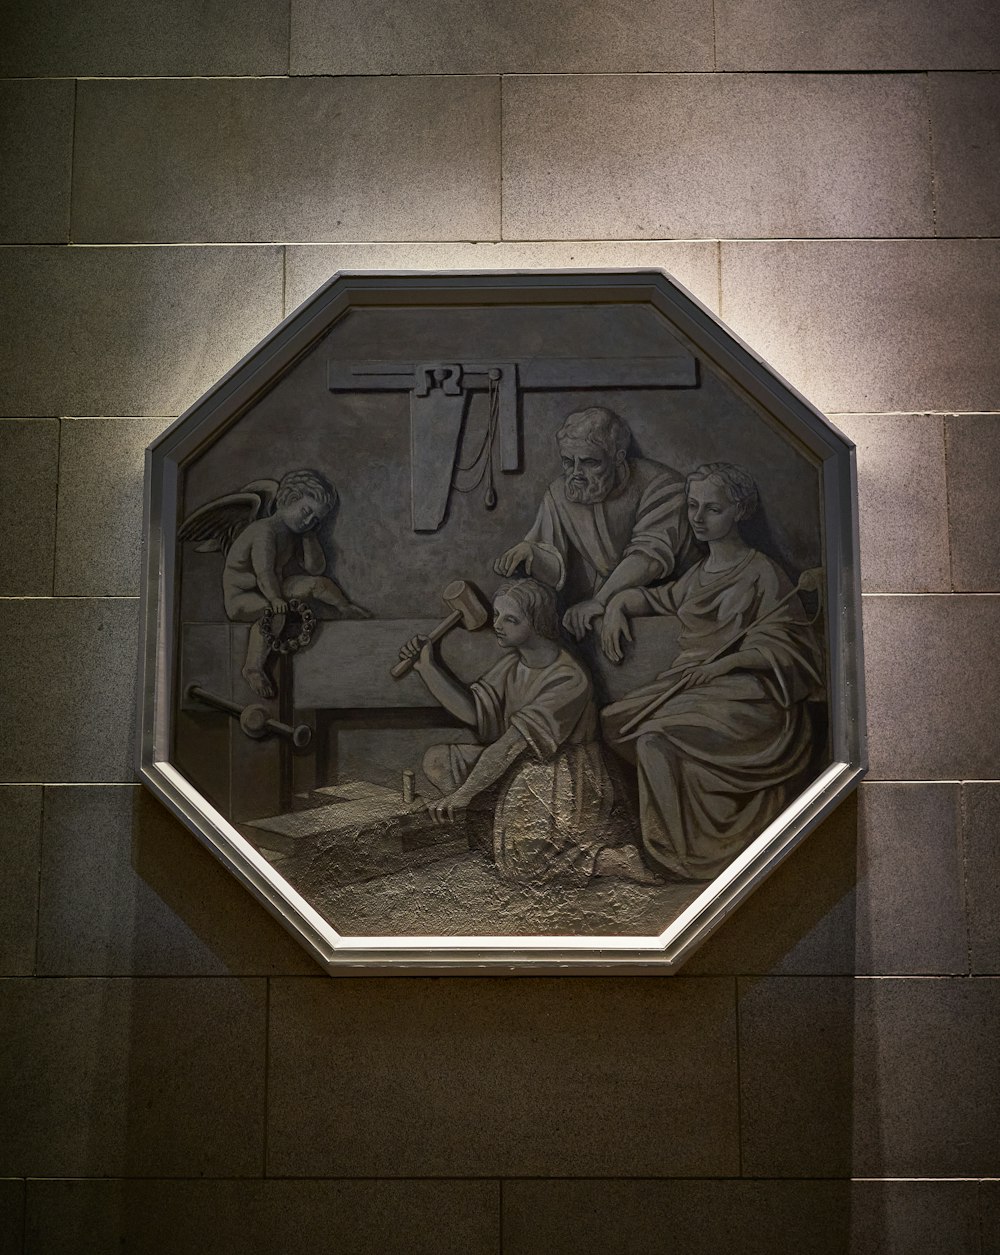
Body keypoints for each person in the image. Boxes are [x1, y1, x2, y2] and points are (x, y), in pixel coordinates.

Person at [599, 463, 825, 883]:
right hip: (691, 687)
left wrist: (726, 663)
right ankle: (684, 847)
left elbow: (786, 648)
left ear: (739, 511)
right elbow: (657, 599)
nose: (699, 519)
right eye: (692, 507)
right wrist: (616, 605)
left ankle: (683, 856)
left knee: (652, 739)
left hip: (749, 695)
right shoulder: (697, 575)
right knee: (616, 723)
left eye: (713, 509)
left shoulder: (762, 572)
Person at [397, 579, 618, 885]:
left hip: (563, 774)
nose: (496, 624)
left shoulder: (568, 677)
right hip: (521, 763)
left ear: (538, 624)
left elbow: (511, 745)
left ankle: (608, 861)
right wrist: (428, 668)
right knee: (440, 760)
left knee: (520, 865)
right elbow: (475, 712)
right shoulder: (514, 664)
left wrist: (464, 794)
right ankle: (500, 826)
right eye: (497, 614)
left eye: (510, 619)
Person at [494, 407, 695, 655]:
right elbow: (557, 566)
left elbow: (648, 558)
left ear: (618, 457)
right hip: (593, 617)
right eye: (568, 462)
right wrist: (533, 553)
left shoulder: (662, 486)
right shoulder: (560, 493)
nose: (577, 473)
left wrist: (600, 601)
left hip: (666, 611)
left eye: (590, 462)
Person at [221, 469, 370, 696]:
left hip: (274, 586)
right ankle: (252, 668)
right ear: (289, 499)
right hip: (243, 595)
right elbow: (264, 571)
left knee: (318, 584)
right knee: (275, 614)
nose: (309, 520)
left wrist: (309, 535)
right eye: (306, 511)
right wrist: (274, 598)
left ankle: (345, 608)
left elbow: (314, 568)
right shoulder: (264, 531)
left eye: (316, 519)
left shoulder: (292, 533)